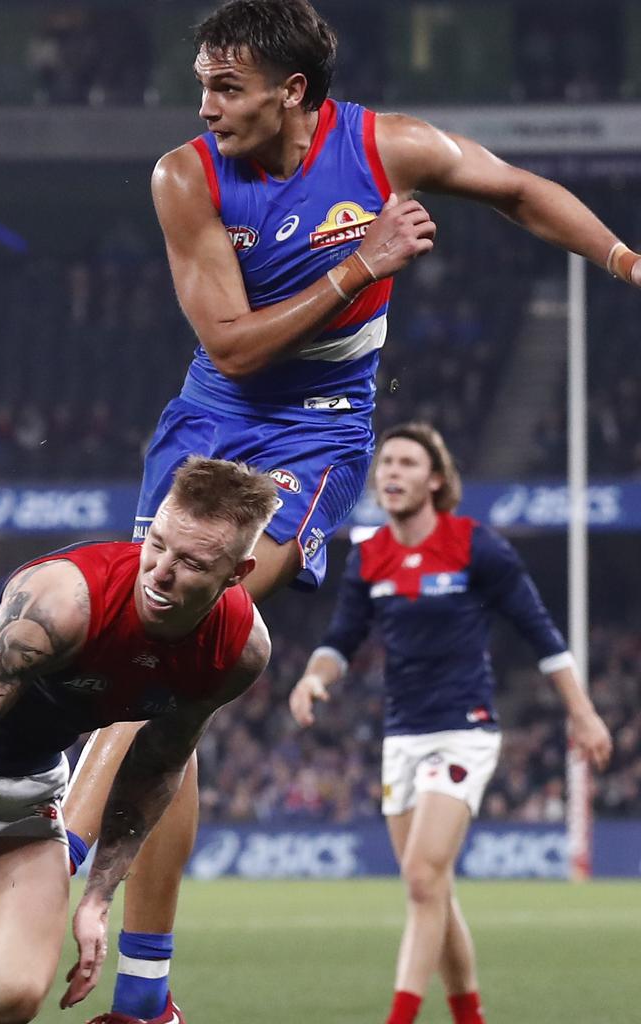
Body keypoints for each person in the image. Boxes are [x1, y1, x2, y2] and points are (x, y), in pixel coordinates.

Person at [64, 1, 639, 1019]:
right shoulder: (186, 175)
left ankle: (58, 864)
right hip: (209, 415)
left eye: (226, 87)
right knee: (152, 670)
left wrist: (623, 259)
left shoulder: (386, 146)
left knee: (177, 636)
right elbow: (234, 346)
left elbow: (516, 189)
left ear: (294, 92)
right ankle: (139, 982)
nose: (204, 105)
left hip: (317, 432)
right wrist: (359, 264)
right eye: (201, 83)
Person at [0, 456, 275, 1023]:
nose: (159, 571)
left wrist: (99, 896)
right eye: (156, 543)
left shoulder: (238, 652)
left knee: (12, 997)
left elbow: (159, 765)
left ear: (237, 572)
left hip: (24, 775)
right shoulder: (63, 603)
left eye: (190, 562)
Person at [288, 422, 613, 1024]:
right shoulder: (369, 555)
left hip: (463, 728)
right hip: (401, 737)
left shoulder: (475, 545)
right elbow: (340, 640)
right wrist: (314, 678)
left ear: (435, 479)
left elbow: (540, 632)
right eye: (385, 463)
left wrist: (583, 712)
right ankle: (471, 1017)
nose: (391, 473)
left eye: (408, 463)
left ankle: (400, 1016)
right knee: (432, 888)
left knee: (420, 876)